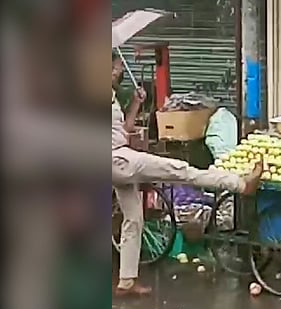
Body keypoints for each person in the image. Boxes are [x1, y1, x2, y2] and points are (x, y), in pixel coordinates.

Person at [111, 54, 263, 296]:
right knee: (181, 170)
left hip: (119, 156)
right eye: (116, 68)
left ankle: (126, 281)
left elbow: (125, 130)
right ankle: (241, 184)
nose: (119, 72)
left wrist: (137, 104)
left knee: (133, 218)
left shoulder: (112, 98)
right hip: (116, 160)